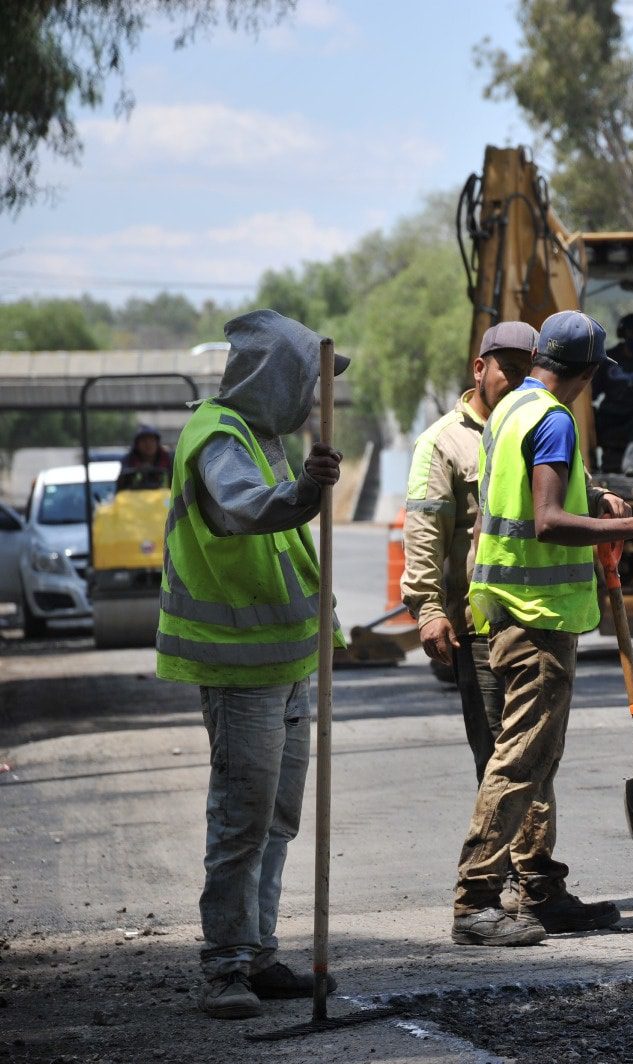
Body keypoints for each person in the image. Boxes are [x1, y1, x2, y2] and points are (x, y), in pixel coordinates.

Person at [452, 309, 633, 947]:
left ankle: (540, 891)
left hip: (502, 609)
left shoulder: (508, 411)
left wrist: (599, 500)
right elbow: (549, 520)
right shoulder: (553, 420)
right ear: (585, 372)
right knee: (523, 759)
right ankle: (475, 899)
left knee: (535, 759)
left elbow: (527, 504)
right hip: (537, 620)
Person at [155, 309, 347, 1019]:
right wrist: (303, 494)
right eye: (308, 384)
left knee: (277, 819)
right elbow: (247, 511)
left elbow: (285, 548)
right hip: (241, 668)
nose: (312, 401)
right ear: (276, 381)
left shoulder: (265, 438)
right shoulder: (219, 439)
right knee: (243, 818)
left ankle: (258, 952)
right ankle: (226, 965)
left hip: (287, 663)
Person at [402, 322, 533, 784]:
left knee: (535, 757)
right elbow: (424, 531)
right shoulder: (442, 442)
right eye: (510, 370)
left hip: (538, 621)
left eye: (529, 372)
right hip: (480, 628)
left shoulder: (540, 425)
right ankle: (497, 857)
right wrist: (430, 610)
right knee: (500, 758)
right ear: (480, 369)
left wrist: (601, 499)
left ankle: (529, 856)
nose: (519, 382)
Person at [591, 311, 633, 475]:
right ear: (623, 334)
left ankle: (632, 465)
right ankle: (590, 463)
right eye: (632, 332)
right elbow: (592, 391)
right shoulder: (608, 359)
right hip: (611, 413)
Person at [117, 424, 173, 489]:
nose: (148, 444)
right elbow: (121, 485)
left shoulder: (168, 459)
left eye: (152, 440)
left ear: (157, 443)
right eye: (144, 441)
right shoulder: (128, 460)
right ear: (137, 444)